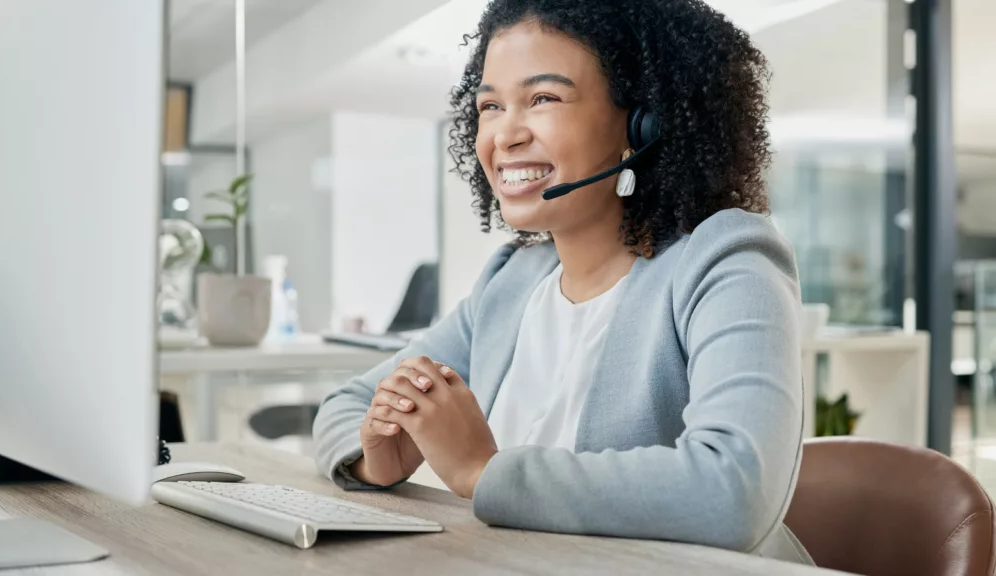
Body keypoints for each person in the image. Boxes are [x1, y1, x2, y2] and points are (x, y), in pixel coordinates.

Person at [314, 0, 810, 563]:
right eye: (490, 106)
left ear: (644, 122)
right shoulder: (512, 281)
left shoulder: (725, 260)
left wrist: (483, 470)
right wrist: (373, 456)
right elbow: (349, 402)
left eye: (543, 98)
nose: (504, 135)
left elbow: (734, 490)